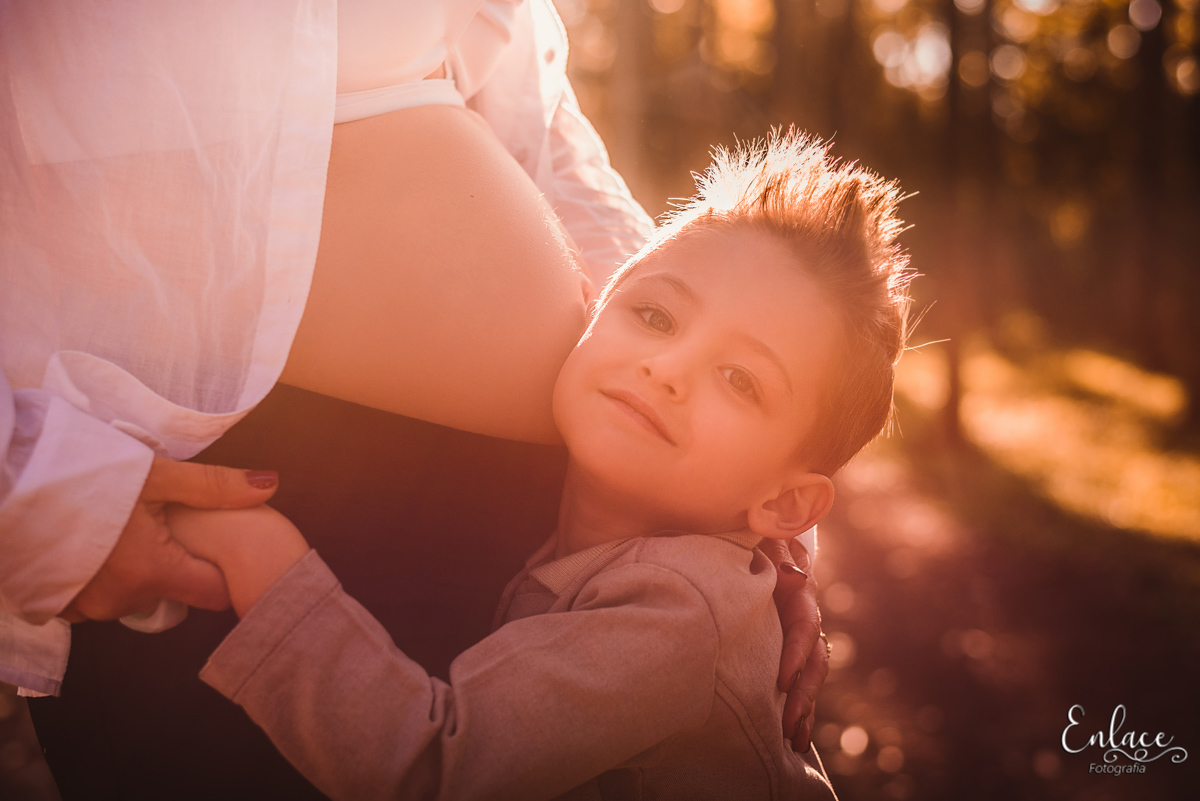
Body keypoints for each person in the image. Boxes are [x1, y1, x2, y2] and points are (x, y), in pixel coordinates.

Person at [2, 1, 827, 795]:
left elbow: (540, 130)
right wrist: (32, 490)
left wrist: (739, 513)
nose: (670, 367)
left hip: (535, 528)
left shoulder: (682, 595)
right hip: (218, 492)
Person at [163, 132, 912, 800]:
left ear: (786, 508)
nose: (667, 366)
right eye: (654, 315)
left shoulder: (682, 615)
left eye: (741, 379)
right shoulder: (612, 544)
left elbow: (432, 770)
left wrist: (261, 558)